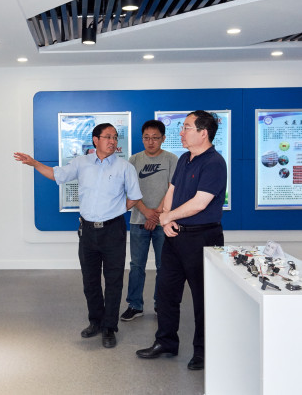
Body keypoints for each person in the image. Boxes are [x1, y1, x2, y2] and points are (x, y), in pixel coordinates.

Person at [14, 123, 142, 349]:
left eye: (115, 137)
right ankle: (96, 321)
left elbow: (134, 197)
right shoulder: (81, 163)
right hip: (88, 231)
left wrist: (114, 211)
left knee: (113, 280)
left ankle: (109, 327)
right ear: (95, 140)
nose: (113, 141)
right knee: (90, 280)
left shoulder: (125, 167)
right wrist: (34, 163)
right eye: (108, 137)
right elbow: (57, 175)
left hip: (113, 230)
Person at [136, 110, 227, 371]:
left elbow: (200, 203)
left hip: (203, 238)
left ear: (203, 133)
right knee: (166, 292)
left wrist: (167, 217)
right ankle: (165, 342)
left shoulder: (215, 163)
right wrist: (166, 218)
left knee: (202, 298)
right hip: (175, 235)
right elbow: (172, 191)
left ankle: (204, 351)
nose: (181, 132)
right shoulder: (186, 158)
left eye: (186, 127)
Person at [120, 120, 178, 321]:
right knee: (137, 265)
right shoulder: (134, 160)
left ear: (163, 138)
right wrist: (146, 212)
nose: (150, 142)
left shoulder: (171, 159)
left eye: (155, 138)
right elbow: (129, 189)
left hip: (164, 222)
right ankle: (135, 305)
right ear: (142, 138)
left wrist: (157, 214)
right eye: (146, 138)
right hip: (138, 220)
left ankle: (160, 304)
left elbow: (172, 189)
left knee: (164, 266)